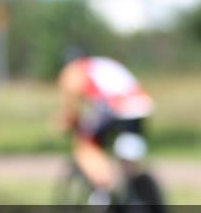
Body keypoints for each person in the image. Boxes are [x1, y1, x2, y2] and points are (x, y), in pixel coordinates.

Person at [57, 50, 154, 203]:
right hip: (140, 105)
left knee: (86, 145)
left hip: (115, 107)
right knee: (128, 160)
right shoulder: (102, 64)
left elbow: (72, 112)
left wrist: (66, 123)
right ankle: (132, 190)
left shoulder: (74, 71)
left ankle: (103, 191)